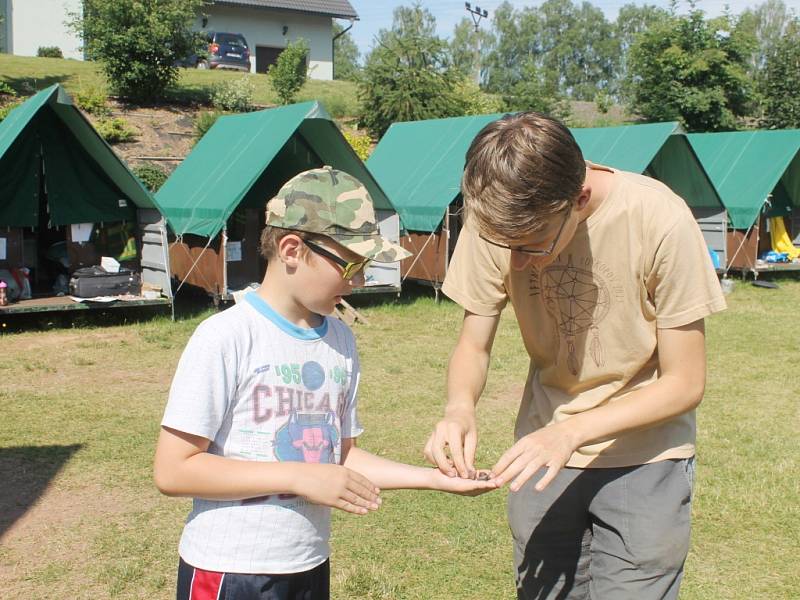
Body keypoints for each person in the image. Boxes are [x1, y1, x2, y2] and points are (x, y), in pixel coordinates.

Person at [154, 167, 495, 600]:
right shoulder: (226, 337)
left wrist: (435, 480)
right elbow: (174, 469)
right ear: (292, 249)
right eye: (351, 264)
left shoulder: (340, 341)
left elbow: (340, 456)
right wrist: (302, 477)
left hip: (308, 564)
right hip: (230, 570)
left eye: (366, 266)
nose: (358, 281)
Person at [424, 112, 727, 599]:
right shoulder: (497, 220)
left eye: (531, 245)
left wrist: (570, 432)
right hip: (542, 460)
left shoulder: (660, 219)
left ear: (579, 199)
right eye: (507, 247)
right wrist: (459, 409)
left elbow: (685, 382)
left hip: (645, 459)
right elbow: (473, 343)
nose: (517, 262)